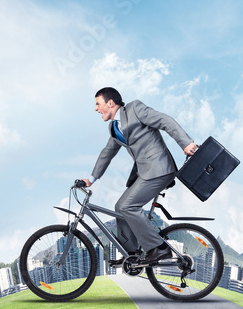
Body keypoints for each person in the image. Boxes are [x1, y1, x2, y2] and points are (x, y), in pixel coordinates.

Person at [81, 87, 197, 265]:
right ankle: (131, 254)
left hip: (159, 169)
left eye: (98, 104)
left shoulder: (135, 109)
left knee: (128, 206)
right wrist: (91, 179)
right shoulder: (114, 128)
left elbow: (165, 120)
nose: (96, 109)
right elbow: (107, 153)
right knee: (120, 207)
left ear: (110, 103)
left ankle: (159, 248)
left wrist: (186, 142)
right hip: (145, 172)